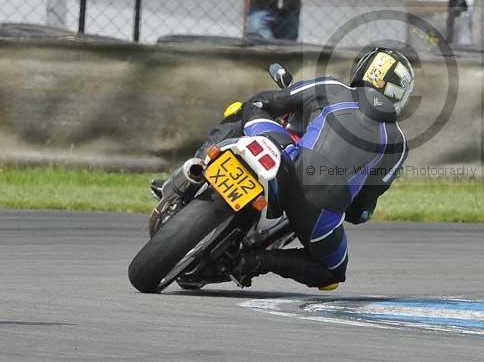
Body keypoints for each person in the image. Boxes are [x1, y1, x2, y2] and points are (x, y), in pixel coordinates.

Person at [160, 47, 412, 290]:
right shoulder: (398, 145)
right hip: (318, 211)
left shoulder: (332, 88)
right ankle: (254, 261)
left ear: (365, 70)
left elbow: (266, 102)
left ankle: (196, 168)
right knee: (333, 272)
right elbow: (360, 210)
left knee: (246, 108)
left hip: (286, 160)